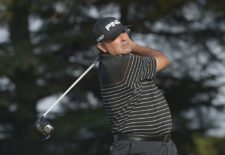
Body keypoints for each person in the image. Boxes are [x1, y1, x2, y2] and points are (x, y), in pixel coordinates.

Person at [92, 17, 178, 155]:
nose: (123, 38)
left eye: (123, 32)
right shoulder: (120, 65)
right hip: (138, 148)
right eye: (115, 37)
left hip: (162, 146)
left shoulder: (113, 62)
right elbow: (164, 60)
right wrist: (134, 46)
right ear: (102, 47)